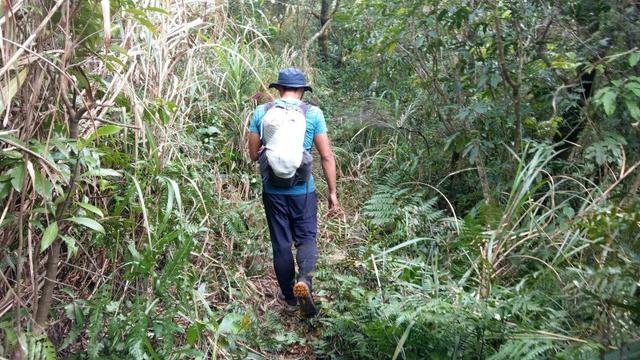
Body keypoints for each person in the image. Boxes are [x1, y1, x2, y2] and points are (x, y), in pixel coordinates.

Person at [248, 68, 339, 316]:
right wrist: (333, 193)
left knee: (281, 245)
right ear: (301, 91)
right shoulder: (313, 113)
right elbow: (326, 156)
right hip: (304, 191)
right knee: (306, 239)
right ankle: (305, 282)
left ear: (278, 88)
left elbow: (252, 154)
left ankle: (289, 297)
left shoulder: (261, 112)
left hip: (273, 191)